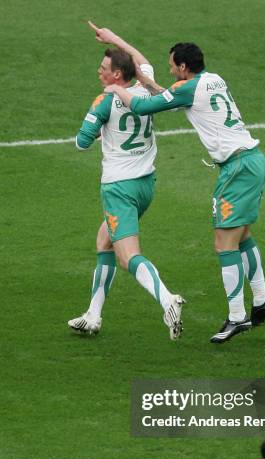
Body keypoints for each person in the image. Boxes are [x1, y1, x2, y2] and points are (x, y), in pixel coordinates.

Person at [104, 39, 265, 343]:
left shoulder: (187, 89)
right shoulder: (213, 80)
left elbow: (144, 105)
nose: (170, 68)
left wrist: (119, 90)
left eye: (172, 64)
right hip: (253, 161)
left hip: (236, 169)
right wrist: (144, 80)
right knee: (242, 235)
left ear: (183, 67)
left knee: (224, 244)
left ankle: (237, 317)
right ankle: (261, 299)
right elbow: (168, 94)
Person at [68, 22, 185, 340]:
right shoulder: (144, 86)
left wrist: (93, 118)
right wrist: (112, 38)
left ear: (117, 76)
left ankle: (167, 299)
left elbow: (81, 143)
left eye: (104, 67)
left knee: (128, 256)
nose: (99, 71)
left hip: (119, 187)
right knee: (104, 240)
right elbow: (139, 58)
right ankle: (93, 315)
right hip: (145, 184)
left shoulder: (104, 102)